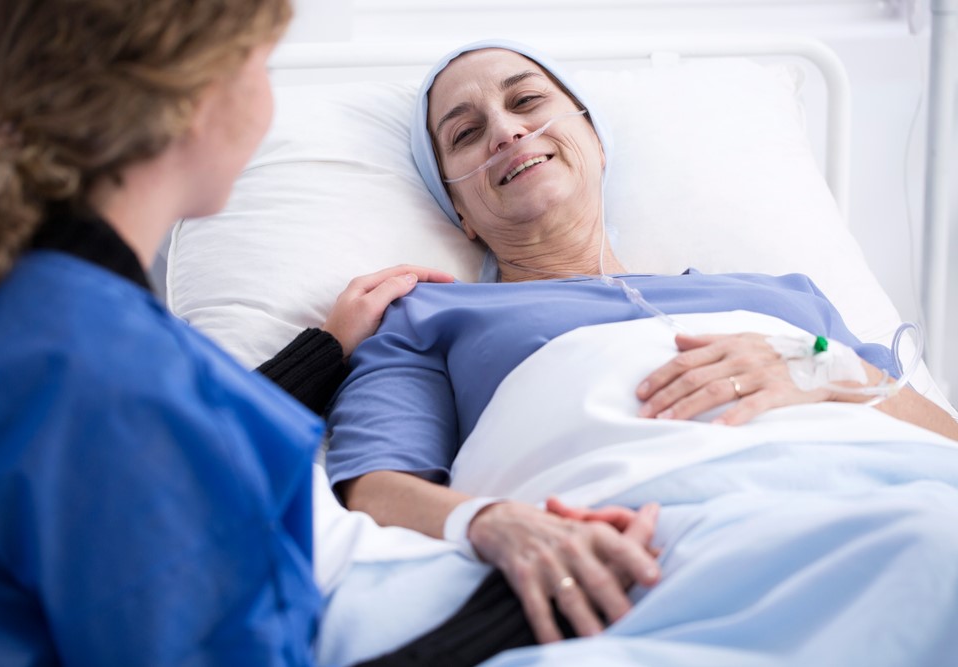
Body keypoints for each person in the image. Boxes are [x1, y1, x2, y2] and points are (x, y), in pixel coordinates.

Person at [323, 39, 958, 664]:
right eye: (465, 134)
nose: (508, 132)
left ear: (595, 141)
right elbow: (375, 488)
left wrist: (825, 367)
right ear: (459, 209)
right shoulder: (430, 317)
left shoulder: (783, 297)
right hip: (655, 537)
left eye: (527, 101)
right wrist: (495, 523)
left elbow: (944, 440)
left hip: (892, 487)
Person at [0, 1, 452, 664]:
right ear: (198, 97)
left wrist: (326, 350)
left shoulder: (28, 308)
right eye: (262, 64)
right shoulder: (116, 376)